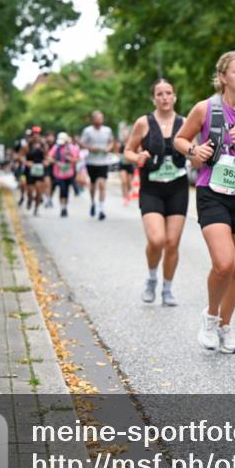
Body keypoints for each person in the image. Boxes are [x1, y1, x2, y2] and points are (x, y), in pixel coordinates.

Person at [175, 51, 235, 353]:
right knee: (224, 262)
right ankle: (210, 316)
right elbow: (180, 139)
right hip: (212, 191)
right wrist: (194, 152)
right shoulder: (205, 109)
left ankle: (225, 327)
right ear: (222, 77)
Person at [124, 79, 191, 307]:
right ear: (153, 98)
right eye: (160, 94)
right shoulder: (144, 123)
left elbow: (195, 150)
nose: (164, 97)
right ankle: (152, 278)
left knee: (172, 242)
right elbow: (128, 151)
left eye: (168, 93)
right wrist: (137, 157)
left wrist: (197, 155)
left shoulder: (185, 123)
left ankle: (168, 289)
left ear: (175, 97)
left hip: (178, 187)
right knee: (157, 239)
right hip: (151, 187)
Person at [79, 110, 116, 220]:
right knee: (93, 184)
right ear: (93, 120)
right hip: (91, 161)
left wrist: (109, 148)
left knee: (102, 184)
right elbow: (81, 143)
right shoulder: (87, 131)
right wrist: (91, 148)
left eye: (101, 118)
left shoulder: (107, 130)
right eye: (97, 118)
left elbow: (112, 141)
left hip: (103, 161)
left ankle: (101, 209)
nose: (99, 120)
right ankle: (93, 203)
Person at [49, 132, 79, 218]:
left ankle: (65, 207)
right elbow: (50, 157)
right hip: (58, 173)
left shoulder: (72, 148)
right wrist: (57, 163)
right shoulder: (56, 148)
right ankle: (62, 208)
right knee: (62, 190)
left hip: (69, 173)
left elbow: (77, 159)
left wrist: (70, 159)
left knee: (66, 191)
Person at [23, 126, 50, 215]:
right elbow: (19, 156)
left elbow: (47, 157)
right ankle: (30, 199)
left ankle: (36, 208)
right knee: (30, 190)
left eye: (37, 133)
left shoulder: (43, 145)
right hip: (30, 170)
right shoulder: (27, 145)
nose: (36, 135)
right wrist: (26, 162)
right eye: (34, 133)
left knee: (39, 190)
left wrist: (46, 162)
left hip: (39, 169)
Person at [118, 129, 136, 205]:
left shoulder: (133, 144)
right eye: (124, 135)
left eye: (126, 134)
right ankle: (125, 197)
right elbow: (117, 152)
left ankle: (128, 195)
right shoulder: (121, 144)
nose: (125, 136)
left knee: (129, 183)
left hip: (130, 165)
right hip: (122, 165)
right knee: (124, 181)